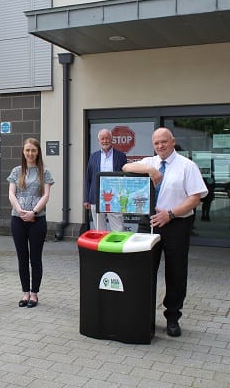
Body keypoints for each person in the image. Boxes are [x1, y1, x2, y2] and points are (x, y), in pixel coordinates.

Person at [122, 127, 207, 337]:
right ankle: (145, 317)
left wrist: (170, 214)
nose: (161, 146)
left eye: (164, 142)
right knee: (144, 271)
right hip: (149, 223)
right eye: (157, 142)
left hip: (176, 223)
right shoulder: (149, 162)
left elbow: (195, 198)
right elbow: (125, 167)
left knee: (176, 272)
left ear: (173, 141)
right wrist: (150, 171)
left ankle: (172, 317)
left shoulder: (187, 166)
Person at [7, 138, 54, 309]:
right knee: (22, 258)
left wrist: (33, 212)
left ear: (38, 152)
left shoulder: (45, 172)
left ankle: (34, 294)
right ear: (23, 152)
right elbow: (12, 194)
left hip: (37, 220)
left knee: (35, 258)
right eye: (27, 150)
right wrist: (20, 211)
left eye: (33, 150)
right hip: (17, 219)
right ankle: (25, 292)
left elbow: (46, 196)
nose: (30, 153)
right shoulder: (16, 171)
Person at [84, 128, 127, 231]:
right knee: (99, 229)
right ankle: (102, 247)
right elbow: (88, 178)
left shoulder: (121, 156)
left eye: (107, 138)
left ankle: (117, 246)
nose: (105, 141)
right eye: (102, 139)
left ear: (112, 139)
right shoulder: (93, 157)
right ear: (99, 141)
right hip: (96, 197)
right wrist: (86, 199)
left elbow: (125, 178)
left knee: (118, 228)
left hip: (115, 197)